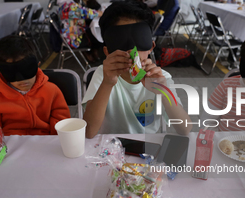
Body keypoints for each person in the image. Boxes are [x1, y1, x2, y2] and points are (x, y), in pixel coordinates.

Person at [82, 0, 192, 138]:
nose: (131, 51)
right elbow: (88, 132)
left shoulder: (161, 77)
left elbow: (185, 129)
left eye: (139, 40)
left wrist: (163, 91)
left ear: (151, 46)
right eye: (119, 41)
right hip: (111, 148)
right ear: (107, 52)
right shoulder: (102, 75)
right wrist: (107, 83)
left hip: (148, 147)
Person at [0, 36, 71, 136]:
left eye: (26, 69)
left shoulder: (52, 91)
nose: (22, 80)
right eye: (11, 72)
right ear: (1, 71)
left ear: (37, 65)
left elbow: (62, 123)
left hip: (45, 140)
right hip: (9, 144)